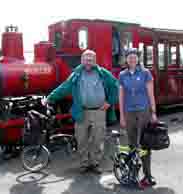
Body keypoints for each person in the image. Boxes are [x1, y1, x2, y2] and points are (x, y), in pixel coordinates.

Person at [46, 49, 119, 173]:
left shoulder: (103, 73)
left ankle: (95, 163)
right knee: (81, 139)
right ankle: (84, 163)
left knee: (98, 139)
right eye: (86, 59)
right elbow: (64, 87)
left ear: (95, 61)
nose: (88, 62)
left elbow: (115, 86)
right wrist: (49, 98)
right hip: (81, 111)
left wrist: (109, 102)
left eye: (91, 59)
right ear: (82, 60)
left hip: (99, 111)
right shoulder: (76, 74)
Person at [119, 48, 158, 187]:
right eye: (130, 57)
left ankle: (148, 176)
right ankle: (132, 174)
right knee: (132, 145)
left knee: (145, 145)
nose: (132, 60)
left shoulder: (145, 73)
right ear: (126, 59)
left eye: (134, 57)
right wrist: (122, 116)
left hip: (144, 112)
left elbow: (150, 93)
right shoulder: (122, 75)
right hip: (129, 113)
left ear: (138, 59)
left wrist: (153, 112)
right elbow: (121, 96)